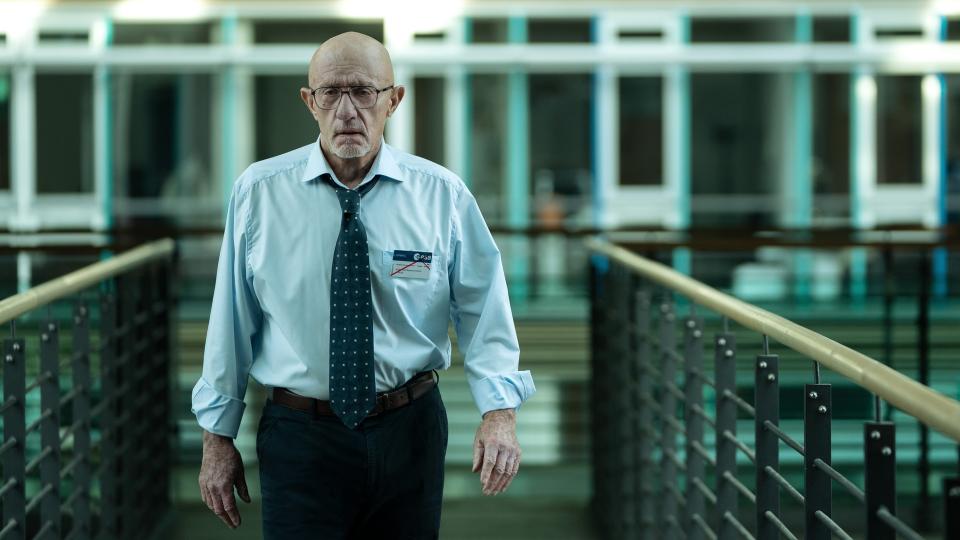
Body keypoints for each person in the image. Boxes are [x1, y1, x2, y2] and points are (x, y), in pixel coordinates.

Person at [191, 31, 535, 539]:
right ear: (310, 102)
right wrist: (216, 436)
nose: (347, 110)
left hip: (410, 429)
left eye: (364, 92)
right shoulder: (259, 194)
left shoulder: (441, 195)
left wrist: (499, 411)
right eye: (331, 93)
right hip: (299, 435)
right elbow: (231, 320)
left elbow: (484, 308)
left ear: (394, 100)